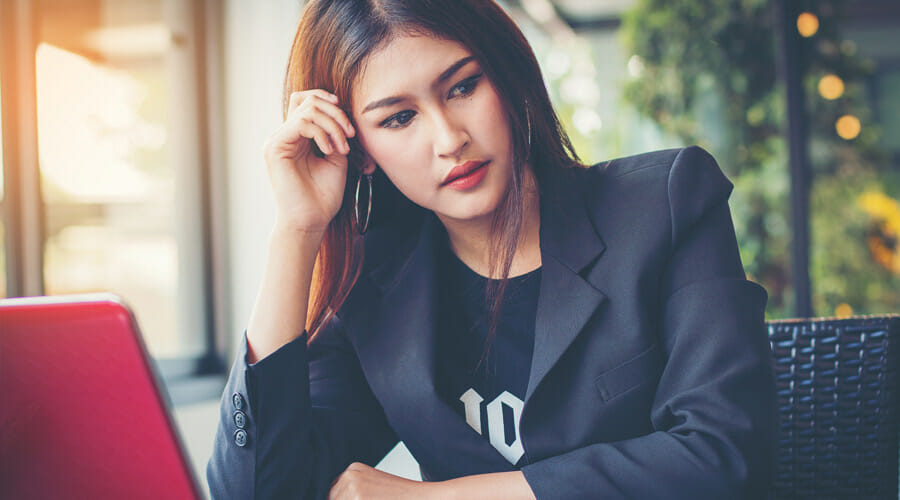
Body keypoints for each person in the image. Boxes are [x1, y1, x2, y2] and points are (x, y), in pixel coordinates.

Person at [207, 0, 777, 498]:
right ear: (360, 151)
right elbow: (258, 491)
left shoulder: (665, 204)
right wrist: (297, 230)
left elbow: (724, 457)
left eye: (462, 86)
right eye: (400, 118)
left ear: (505, 74)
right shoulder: (376, 288)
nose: (450, 138)